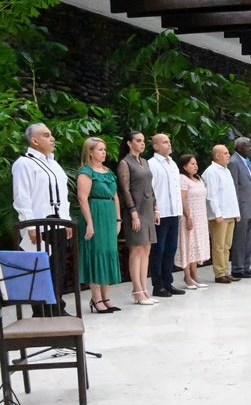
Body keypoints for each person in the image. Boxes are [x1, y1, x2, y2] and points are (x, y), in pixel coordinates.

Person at [12, 123, 72, 316]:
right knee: (40, 269)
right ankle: (42, 311)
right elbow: (22, 196)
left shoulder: (53, 163)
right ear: (34, 141)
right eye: (47, 135)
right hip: (38, 224)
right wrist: (28, 224)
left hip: (58, 222)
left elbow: (63, 194)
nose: (52, 138)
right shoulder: (24, 163)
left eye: (51, 134)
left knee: (59, 266)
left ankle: (57, 307)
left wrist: (67, 219)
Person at [75, 137, 121, 313]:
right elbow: (82, 198)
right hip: (95, 212)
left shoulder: (108, 171)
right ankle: (96, 298)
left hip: (109, 213)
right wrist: (89, 223)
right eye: (100, 149)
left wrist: (118, 219)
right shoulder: (86, 172)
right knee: (96, 253)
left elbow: (115, 196)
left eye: (104, 149)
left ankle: (106, 296)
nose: (104, 152)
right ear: (90, 152)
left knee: (109, 252)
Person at [117, 131, 158, 305]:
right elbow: (125, 190)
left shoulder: (145, 161)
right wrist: (133, 212)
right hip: (135, 210)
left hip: (148, 209)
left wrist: (156, 208)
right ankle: (137, 290)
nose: (142, 144)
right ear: (129, 143)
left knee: (146, 249)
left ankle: (145, 288)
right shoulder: (125, 163)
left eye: (143, 141)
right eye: (138, 141)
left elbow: (150, 185)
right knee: (136, 249)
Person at [148, 133, 184, 297]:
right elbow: (151, 189)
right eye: (164, 142)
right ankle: (158, 285)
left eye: (169, 141)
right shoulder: (152, 164)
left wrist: (179, 210)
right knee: (159, 250)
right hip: (160, 214)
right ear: (156, 146)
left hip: (174, 212)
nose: (169, 144)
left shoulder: (173, 164)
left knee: (171, 249)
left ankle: (168, 282)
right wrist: (155, 209)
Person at [203, 144, 241, 284]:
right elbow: (211, 195)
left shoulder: (226, 171)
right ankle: (219, 273)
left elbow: (231, 194)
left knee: (227, 245)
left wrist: (236, 212)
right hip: (220, 215)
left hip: (230, 212)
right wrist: (217, 213)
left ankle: (226, 270)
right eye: (225, 153)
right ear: (217, 155)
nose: (228, 155)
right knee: (219, 245)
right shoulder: (211, 171)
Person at [174, 153, 210, 289]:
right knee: (188, 245)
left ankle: (195, 274)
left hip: (200, 217)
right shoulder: (182, 179)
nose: (195, 166)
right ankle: (187, 275)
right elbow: (183, 198)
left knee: (196, 245)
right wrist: (188, 216)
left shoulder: (198, 179)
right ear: (184, 166)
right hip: (189, 215)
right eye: (192, 164)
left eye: (196, 163)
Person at [228, 137, 251, 279]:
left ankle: (246, 266)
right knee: (240, 239)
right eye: (248, 146)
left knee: (249, 239)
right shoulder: (234, 162)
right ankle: (237, 267)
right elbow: (234, 187)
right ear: (240, 147)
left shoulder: (247, 162)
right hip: (241, 207)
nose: (250, 149)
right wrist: (235, 208)